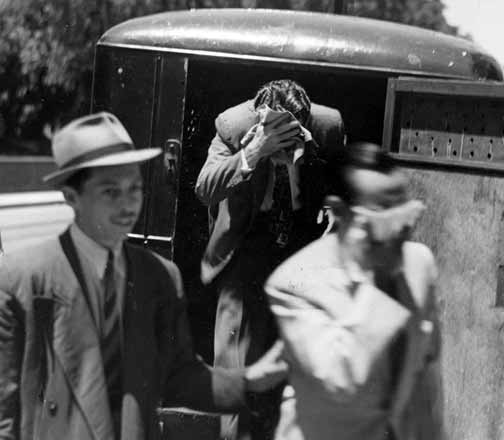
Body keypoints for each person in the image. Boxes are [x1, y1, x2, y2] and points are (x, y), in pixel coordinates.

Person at [0, 112, 288, 440]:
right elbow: (4, 411)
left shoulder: (160, 276)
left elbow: (179, 378)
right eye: (111, 192)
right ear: (71, 197)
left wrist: (252, 379)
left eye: (134, 189)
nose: (128, 205)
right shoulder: (20, 280)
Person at [194, 79, 344, 440]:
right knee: (236, 367)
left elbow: (343, 186)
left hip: (300, 251)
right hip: (247, 248)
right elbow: (205, 188)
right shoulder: (233, 125)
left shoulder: (328, 127)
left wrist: (334, 205)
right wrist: (253, 153)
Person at [265, 142, 445, 440]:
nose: (403, 227)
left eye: (404, 206)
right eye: (384, 210)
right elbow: (342, 381)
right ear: (340, 211)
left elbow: (426, 379)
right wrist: (381, 280)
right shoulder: (294, 282)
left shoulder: (418, 263)